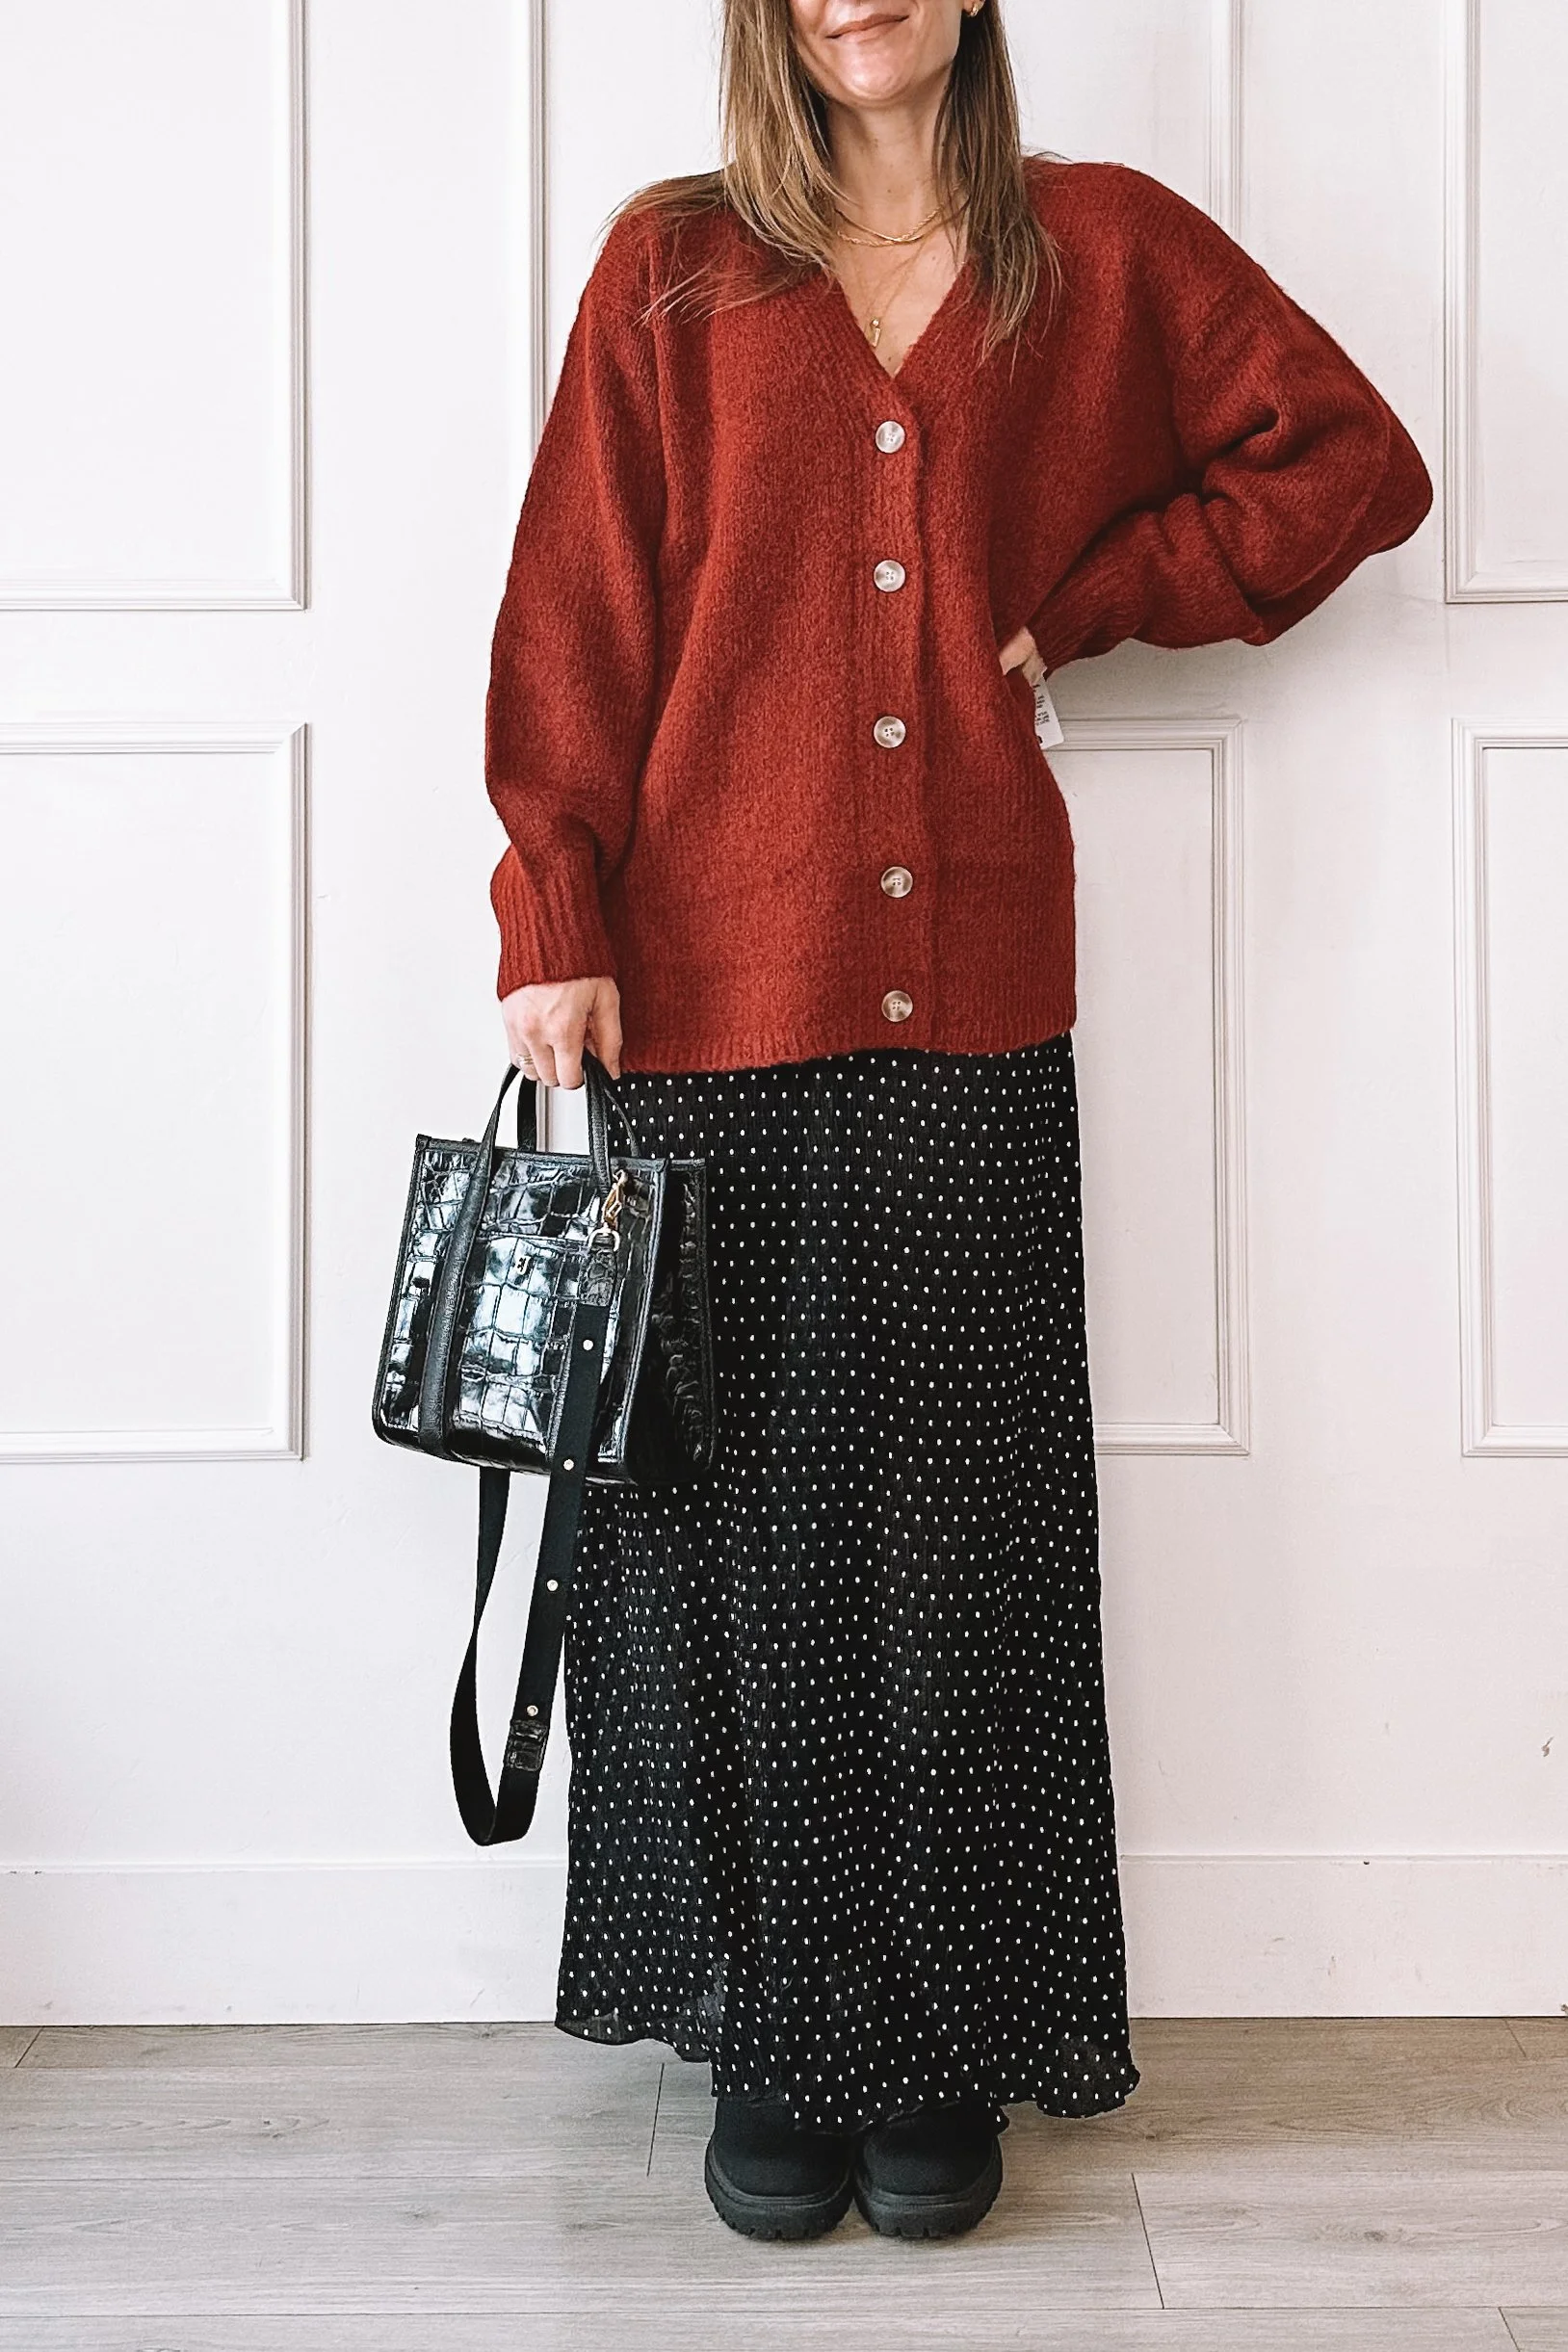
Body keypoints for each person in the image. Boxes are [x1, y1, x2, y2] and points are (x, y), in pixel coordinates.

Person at [481, 0, 1431, 2243]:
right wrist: (552, 907)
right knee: (727, 1551)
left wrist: (1089, 601)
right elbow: (574, 620)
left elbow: (1349, 464)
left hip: (972, 995)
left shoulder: (1091, 259)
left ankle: (936, 2053)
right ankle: (780, 2045)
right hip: (703, 1005)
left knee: (955, 1557)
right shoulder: (674, 273)